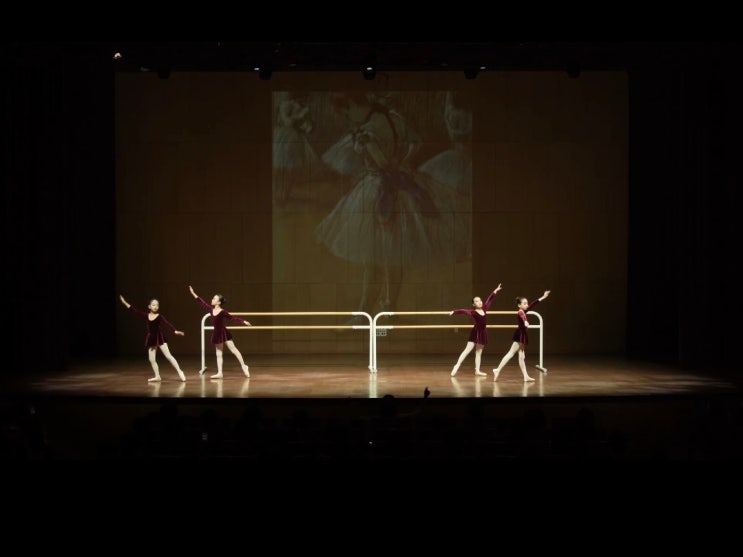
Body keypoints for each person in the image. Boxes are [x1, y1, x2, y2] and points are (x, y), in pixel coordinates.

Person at [119, 294, 186, 382]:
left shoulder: (159, 316)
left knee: (168, 356)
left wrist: (175, 331)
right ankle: (157, 376)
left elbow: (167, 324)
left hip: (159, 337)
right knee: (151, 359)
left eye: (157, 305)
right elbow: (135, 311)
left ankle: (180, 371)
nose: (155, 306)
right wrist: (124, 302)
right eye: (153, 305)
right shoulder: (147, 315)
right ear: (149, 306)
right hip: (151, 338)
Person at [188, 285, 252, 379]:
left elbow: (233, 318)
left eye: (214, 299)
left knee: (233, 350)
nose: (212, 299)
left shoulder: (222, 312)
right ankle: (220, 373)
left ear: (218, 302)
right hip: (217, 334)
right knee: (218, 353)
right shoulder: (211, 309)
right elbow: (202, 302)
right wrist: (193, 293)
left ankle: (244, 366)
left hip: (224, 333)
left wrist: (243, 321)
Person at [492, 290, 551, 382]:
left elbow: (533, 304)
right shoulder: (521, 311)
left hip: (522, 334)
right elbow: (523, 316)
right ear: (519, 305)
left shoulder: (524, 310)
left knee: (521, 357)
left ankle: (525, 376)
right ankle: (497, 369)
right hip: (520, 334)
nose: (527, 305)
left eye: (527, 303)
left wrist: (543, 297)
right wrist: (525, 321)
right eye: (524, 303)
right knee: (511, 353)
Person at [449, 284, 502, 377]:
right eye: (476, 301)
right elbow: (463, 311)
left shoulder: (484, 309)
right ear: (474, 304)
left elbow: (489, 299)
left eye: (480, 300)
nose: (479, 302)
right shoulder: (473, 312)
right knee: (467, 350)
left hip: (483, 333)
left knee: (479, 352)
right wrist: (454, 312)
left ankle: (477, 370)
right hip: (475, 333)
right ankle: (456, 365)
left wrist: (495, 291)